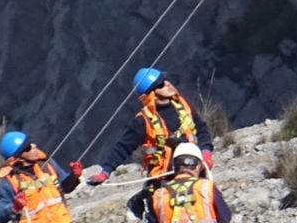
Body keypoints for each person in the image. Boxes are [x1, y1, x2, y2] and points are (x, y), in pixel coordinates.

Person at [85, 67, 215, 185]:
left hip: (194, 171)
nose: (167, 84)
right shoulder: (143, 122)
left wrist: (206, 151)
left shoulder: (182, 106)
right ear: (151, 93)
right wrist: (105, 172)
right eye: (161, 84)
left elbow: (202, 129)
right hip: (164, 181)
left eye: (166, 80)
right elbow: (122, 148)